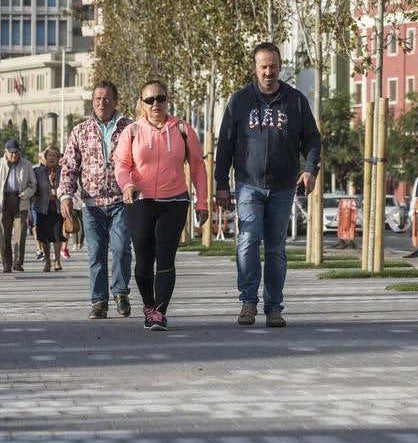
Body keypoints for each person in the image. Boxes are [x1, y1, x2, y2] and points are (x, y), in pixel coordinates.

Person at [215, 42, 322, 328]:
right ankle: (248, 302)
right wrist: (221, 183)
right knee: (248, 240)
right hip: (248, 184)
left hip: (283, 186)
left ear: (279, 67)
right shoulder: (240, 101)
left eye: (273, 66)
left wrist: (310, 169)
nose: (268, 72)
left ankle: (274, 307)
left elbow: (312, 139)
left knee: (275, 247)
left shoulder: (296, 101)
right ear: (255, 68)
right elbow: (224, 145)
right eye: (263, 66)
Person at [113, 81, 208, 331]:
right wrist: (126, 186)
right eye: (150, 100)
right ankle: (148, 305)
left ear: (167, 100)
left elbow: (198, 166)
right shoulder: (132, 131)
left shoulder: (183, 130)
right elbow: (121, 165)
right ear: (142, 104)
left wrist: (201, 201)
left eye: (161, 98)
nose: (156, 104)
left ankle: (159, 312)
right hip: (140, 200)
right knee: (144, 257)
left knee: (166, 256)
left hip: (175, 200)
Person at [59, 81, 135, 319]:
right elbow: (69, 167)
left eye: (107, 98)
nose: (102, 103)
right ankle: (99, 302)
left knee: (122, 249)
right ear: (92, 102)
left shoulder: (130, 128)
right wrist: (66, 196)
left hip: (122, 201)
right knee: (96, 254)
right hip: (91, 205)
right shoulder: (80, 131)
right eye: (98, 99)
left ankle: (121, 293)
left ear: (116, 101)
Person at [0, 139, 36, 273]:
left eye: (16, 152)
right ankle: (6, 264)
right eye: (11, 153)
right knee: (4, 236)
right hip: (3, 203)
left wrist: (26, 193)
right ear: (5, 152)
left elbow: (33, 184)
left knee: (21, 235)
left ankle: (18, 263)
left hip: (20, 202)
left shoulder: (26, 164)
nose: (14, 155)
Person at [32, 145, 65, 272]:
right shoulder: (38, 172)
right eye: (49, 155)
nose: (52, 158)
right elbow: (33, 187)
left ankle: (57, 261)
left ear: (58, 158)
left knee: (57, 234)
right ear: (45, 158)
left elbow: (68, 185)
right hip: (42, 206)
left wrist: (58, 192)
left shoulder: (63, 171)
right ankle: (47, 262)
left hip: (57, 206)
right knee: (44, 236)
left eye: (54, 156)